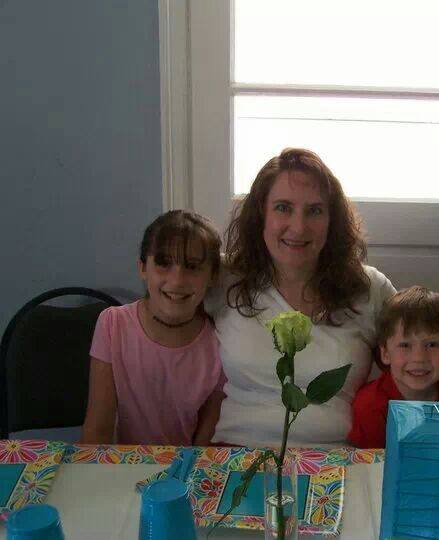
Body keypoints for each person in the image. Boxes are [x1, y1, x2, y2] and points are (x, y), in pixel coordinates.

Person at [208, 148, 396, 448]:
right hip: (236, 452)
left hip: (338, 460)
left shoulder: (369, 287)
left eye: (315, 211)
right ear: (261, 213)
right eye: (283, 207)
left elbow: (419, 364)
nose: (298, 227)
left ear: (332, 220)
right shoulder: (224, 277)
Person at [81, 210, 226, 446]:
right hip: (122, 469)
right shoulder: (112, 324)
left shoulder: (219, 344)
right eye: (163, 263)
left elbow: (204, 447)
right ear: (142, 267)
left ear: (213, 275)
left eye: (192, 266)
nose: (177, 280)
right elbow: (98, 428)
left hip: (184, 472)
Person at [347, 286, 439, 448]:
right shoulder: (370, 407)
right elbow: (370, 467)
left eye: (432, 344)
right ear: (385, 353)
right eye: (405, 345)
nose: (419, 358)